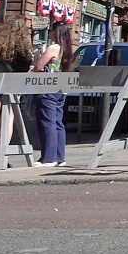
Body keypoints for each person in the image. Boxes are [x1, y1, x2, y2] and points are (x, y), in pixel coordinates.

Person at [0, 17, 35, 166]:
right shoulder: (21, 47)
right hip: (11, 86)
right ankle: (1, 155)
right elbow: (25, 66)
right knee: (8, 121)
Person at [33, 23, 72, 167]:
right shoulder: (67, 49)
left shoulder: (53, 48)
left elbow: (38, 67)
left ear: (56, 33)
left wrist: (37, 60)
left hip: (48, 87)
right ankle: (60, 157)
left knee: (47, 122)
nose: (49, 32)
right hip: (61, 88)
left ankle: (49, 158)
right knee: (57, 123)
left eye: (51, 30)